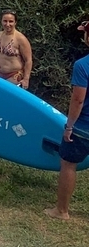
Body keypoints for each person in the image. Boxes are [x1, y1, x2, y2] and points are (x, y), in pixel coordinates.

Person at [46, 20, 89, 221]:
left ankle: (61, 211)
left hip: (83, 128)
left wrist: (69, 126)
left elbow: (78, 99)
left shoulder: (83, 65)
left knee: (68, 164)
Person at [0, 10, 33, 89]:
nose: (7, 24)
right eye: (5, 21)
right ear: (1, 21)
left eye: (11, 21)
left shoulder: (20, 39)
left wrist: (26, 79)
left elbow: (28, 60)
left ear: (15, 22)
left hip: (13, 76)